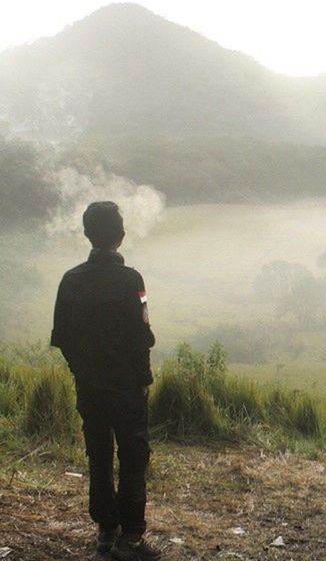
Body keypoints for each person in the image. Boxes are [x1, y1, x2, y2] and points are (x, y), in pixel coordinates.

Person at [51, 201, 161, 560]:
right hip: (128, 387)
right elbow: (142, 335)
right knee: (133, 457)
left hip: (90, 387)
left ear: (87, 234)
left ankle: (105, 530)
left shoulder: (71, 280)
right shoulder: (134, 281)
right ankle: (131, 537)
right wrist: (143, 378)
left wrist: (80, 371)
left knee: (98, 455)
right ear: (121, 236)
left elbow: (63, 337)